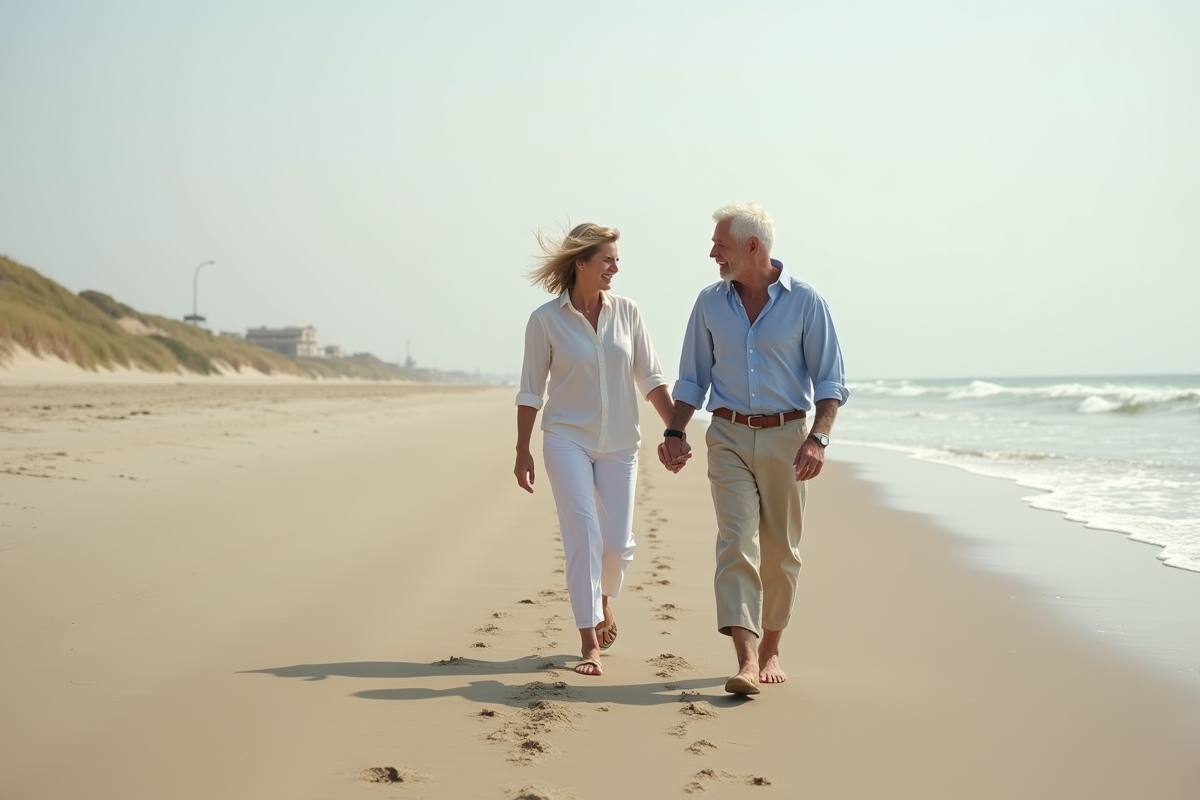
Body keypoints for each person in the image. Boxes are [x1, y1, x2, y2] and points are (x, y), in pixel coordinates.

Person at [659, 202, 848, 695]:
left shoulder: (807, 303)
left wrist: (818, 440)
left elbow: (830, 382)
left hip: (789, 437)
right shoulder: (709, 303)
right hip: (727, 436)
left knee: (782, 552)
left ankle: (771, 648)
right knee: (736, 541)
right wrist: (675, 432)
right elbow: (692, 378)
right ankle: (745, 661)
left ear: (751, 246)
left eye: (719, 245)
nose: (711, 254)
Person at [515, 222, 679, 677]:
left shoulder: (628, 312)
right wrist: (521, 450)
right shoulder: (545, 320)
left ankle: (604, 601)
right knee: (584, 535)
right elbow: (531, 391)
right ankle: (589, 641)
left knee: (617, 546)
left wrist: (676, 432)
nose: (615, 267)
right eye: (607, 259)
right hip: (566, 438)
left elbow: (651, 378)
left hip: (620, 442)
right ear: (580, 263)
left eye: (616, 259)